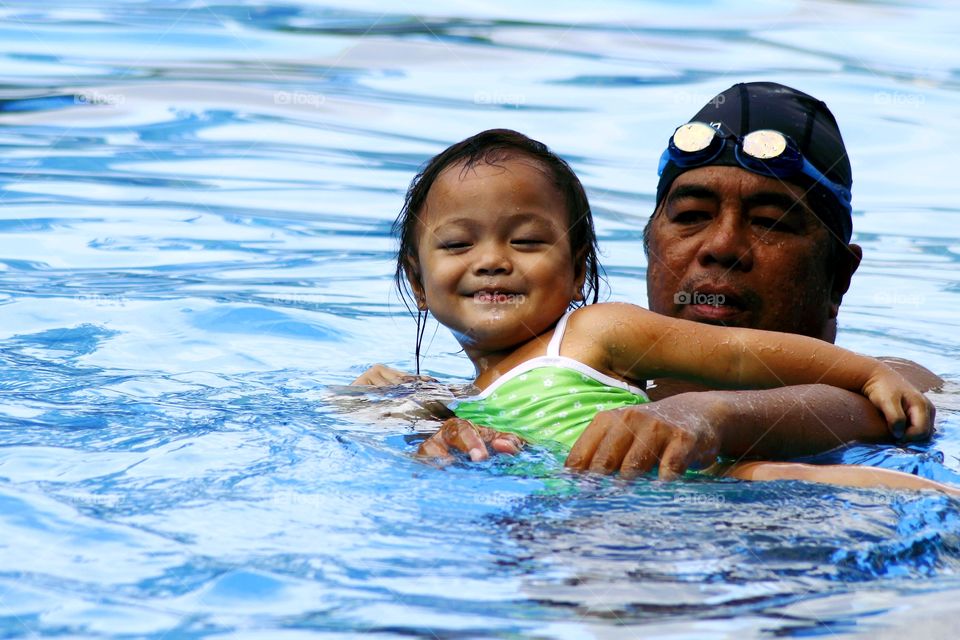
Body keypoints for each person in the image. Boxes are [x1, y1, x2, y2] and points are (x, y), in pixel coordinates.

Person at [362, 82, 943, 483]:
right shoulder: (569, 373)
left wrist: (707, 415)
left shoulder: (904, 385)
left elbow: (894, 406)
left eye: (770, 223)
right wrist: (441, 435)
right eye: (690, 216)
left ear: (839, 275)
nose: (720, 248)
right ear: (647, 243)